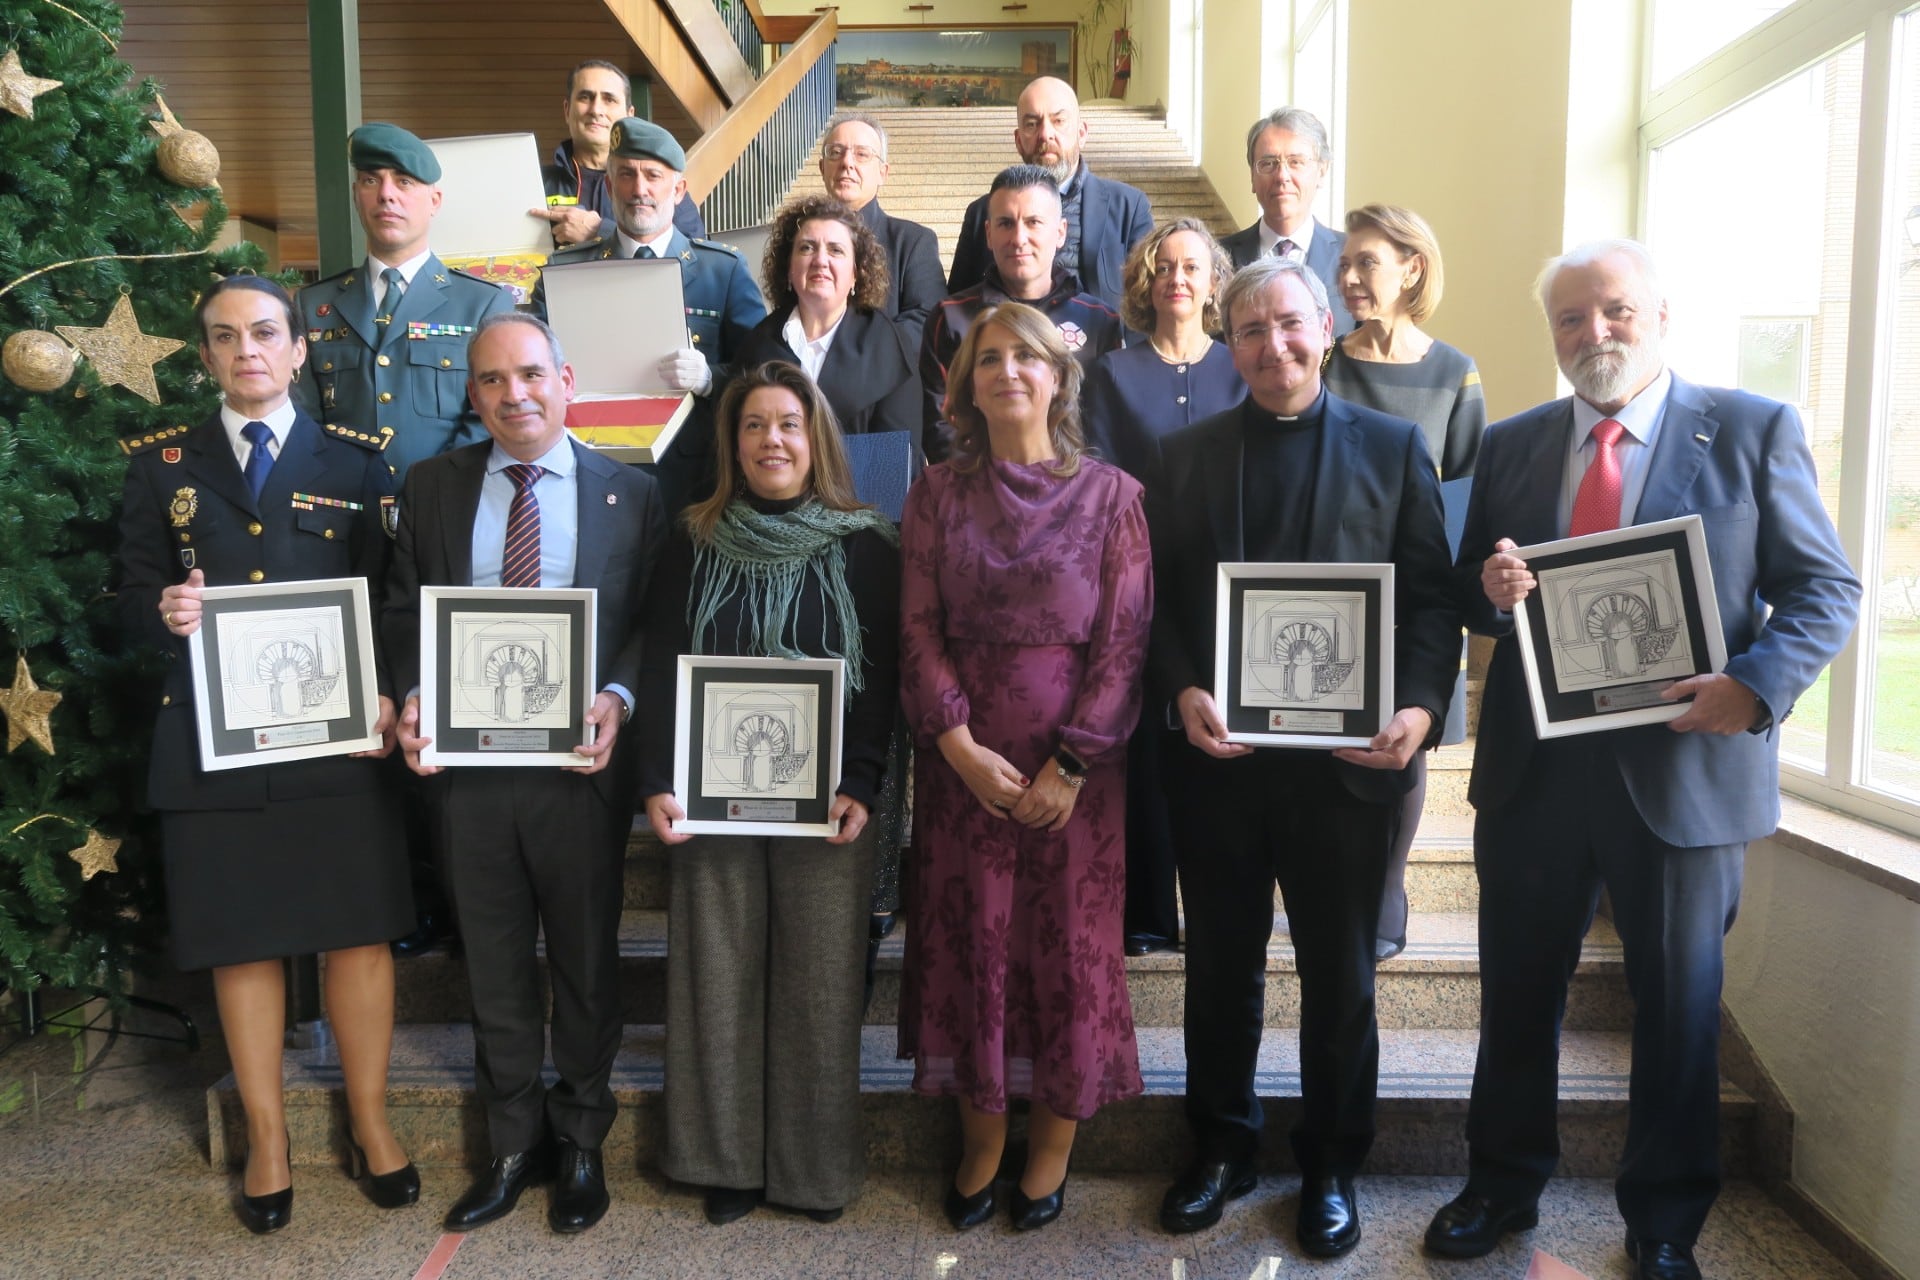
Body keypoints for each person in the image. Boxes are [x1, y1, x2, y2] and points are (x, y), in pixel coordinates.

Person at [1423, 240, 1859, 1280]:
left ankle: (1664, 1219)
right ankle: (1499, 1182)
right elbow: (1469, 584)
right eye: (1571, 320)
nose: (1594, 334)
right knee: (1517, 994)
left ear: (1660, 316)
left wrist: (1751, 685)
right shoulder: (1518, 442)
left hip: (1683, 774)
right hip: (1535, 777)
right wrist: (1488, 583)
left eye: (1615, 311)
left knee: (1677, 1006)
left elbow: (1824, 589)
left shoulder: (1752, 430)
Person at [1146, 257, 1458, 1255]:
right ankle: (1224, 1146)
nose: (1272, 346)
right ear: (1226, 342)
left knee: (1340, 978)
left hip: (1349, 772)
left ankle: (1330, 1161)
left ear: (1323, 328)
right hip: (1221, 762)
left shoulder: (1395, 447)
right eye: (1249, 330)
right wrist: (1183, 685)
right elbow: (1156, 600)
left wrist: (1417, 704)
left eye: (1288, 325)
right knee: (1220, 969)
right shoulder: (1182, 453)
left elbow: (1430, 598)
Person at [115, 275, 416, 1233]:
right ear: (205, 356)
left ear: (297, 351)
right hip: (212, 742)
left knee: (359, 932)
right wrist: (159, 614)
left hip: (337, 740)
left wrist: (389, 692)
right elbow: (125, 597)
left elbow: (396, 600)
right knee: (241, 938)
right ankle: (268, 1137)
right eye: (225, 336)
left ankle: (369, 1123)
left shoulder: (360, 465)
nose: (247, 349)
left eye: (265, 333)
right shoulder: (162, 465)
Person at [382, 312, 669, 1236]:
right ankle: (512, 1143)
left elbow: (649, 619)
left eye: (532, 375)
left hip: (580, 771)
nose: (516, 395)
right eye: (494, 381)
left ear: (566, 379)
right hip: (468, 776)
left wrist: (619, 693)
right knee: (495, 963)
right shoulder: (430, 487)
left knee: (586, 962)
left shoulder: (632, 490)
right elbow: (400, 609)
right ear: (474, 394)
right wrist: (415, 694)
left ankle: (582, 1140)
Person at [898, 302, 1153, 1233]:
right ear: (963, 385)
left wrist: (1072, 765)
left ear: (1058, 377)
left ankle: (1050, 1149)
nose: (1007, 370)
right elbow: (918, 628)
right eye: (987, 358)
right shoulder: (933, 494)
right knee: (974, 948)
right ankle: (983, 1140)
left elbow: (1124, 646)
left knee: (1065, 959)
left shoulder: (1114, 497)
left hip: (1078, 777)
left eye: (1026, 357)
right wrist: (957, 746)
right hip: (965, 769)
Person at [639, 362, 901, 1227]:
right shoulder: (693, 537)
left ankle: (812, 1170)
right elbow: (661, 666)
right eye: (753, 426)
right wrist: (656, 782)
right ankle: (725, 1160)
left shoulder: (866, 541)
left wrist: (861, 780)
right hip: (711, 800)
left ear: (815, 435)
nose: (771, 441)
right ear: (733, 443)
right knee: (716, 975)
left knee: (820, 985)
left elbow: (881, 682)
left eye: (788, 423)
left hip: (827, 803)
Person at [1322, 203, 1488, 961]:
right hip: (1328, 584)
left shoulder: (1455, 373)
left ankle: (1390, 885)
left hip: (1415, 588)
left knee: (1405, 745)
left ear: (1412, 268)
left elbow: (1466, 493)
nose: (1350, 276)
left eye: (1367, 263)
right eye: (1346, 263)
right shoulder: (1324, 359)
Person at [1081, 217, 1244, 956]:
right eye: (1163, 267)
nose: (1177, 277)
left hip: (1227, 583)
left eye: (1191, 266)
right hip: (1138, 574)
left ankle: (1225, 907)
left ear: (1214, 282)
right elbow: (1102, 474)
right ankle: (1147, 913)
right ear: (1146, 283)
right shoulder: (1113, 373)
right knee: (1146, 747)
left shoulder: (1243, 365)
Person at [542, 116, 766, 512]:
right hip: (591, 474)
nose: (639, 189)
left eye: (653, 175)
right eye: (626, 175)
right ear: (609, 186)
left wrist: (710, 378)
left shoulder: (723, 270)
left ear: (678, 189)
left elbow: (760, 374)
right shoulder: (565, 272)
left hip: (692, 485)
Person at [294, 122, 516, 482]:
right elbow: (303, 415)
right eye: (370, 180)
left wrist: (435, 491)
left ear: (435, 201)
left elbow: (493, 414)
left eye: (404, 181)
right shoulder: (313, 304)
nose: (386, 194)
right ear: (356, 195)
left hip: (448, 507)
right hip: (343, 513)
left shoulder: (483, 304)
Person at [920, 166, 1124, 463]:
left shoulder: (1100, 321)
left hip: (1077, 495)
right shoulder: (950, 318)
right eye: (1005, 223)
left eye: (1033, 222)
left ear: (1060, 232)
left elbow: (1107, 428)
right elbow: (941, 427)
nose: (1019, 238)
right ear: (988, 234)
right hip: (978, 493)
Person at [945, 76, 1154, 314]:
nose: (1045, 134)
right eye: (1032, 124)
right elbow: (958, 307)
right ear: (1018, 141)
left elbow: (1148, 308)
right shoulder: (982, 212)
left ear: (1082, 133)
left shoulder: (1129, 208)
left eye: (1059, 121)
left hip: (1100, 347)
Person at [732, 194, 920, 438]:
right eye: (807, 248)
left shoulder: (887, 345)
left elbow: (897, 457)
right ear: (789, 269)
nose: (820, 260)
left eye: (836, 250)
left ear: (855, 273)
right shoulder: (757, 345)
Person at [533, 58, 706, 248]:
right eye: (585, 97)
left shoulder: (656, 185)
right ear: (567, 110)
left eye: (609, 99)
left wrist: (599, 231)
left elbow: (695, 257)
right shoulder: (534, 184)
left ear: (629, 115)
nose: (596, 109)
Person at [1218, 108, 1353, 336]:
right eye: (1268, 163)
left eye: (1296, 162)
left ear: (1322, 171)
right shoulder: (1219, 257)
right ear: (1252, 176)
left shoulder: (1350, 255)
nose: (1282, 176)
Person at [816, 112, 945, 351]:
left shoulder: (913, 242)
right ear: (823, 168)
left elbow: (926, 321)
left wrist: (844, 353)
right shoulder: (799, 241)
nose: (847, 163)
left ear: (883, 173)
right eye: (835, 152)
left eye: (862, 154)